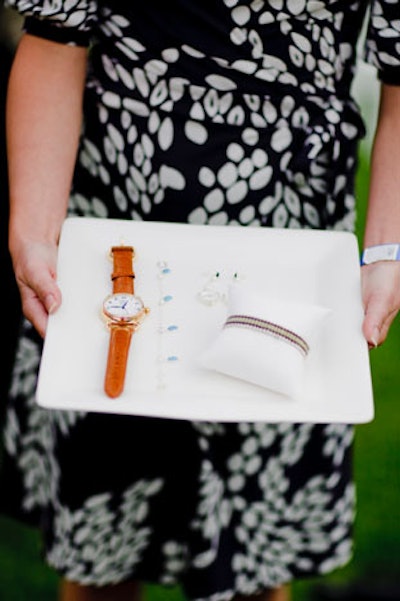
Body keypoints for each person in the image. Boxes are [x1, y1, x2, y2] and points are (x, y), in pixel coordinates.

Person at [1, 1, 400, 601]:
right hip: (114, 221)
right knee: (103, 538)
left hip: (289, 242)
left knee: (253, 554)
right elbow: (57, 33)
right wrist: (33, 228)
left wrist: (387, 251)